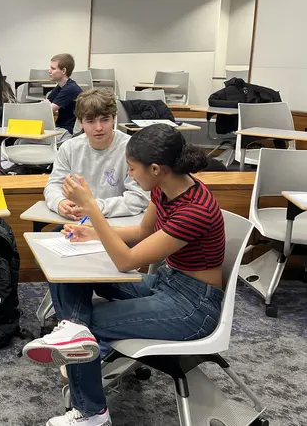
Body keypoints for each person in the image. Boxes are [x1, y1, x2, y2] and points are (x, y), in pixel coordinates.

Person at [23, 124, 225, 426]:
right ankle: (72, 332)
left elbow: (126, 260)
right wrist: (92, 233)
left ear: (156, 168)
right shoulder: (165, 187)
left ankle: (92, 412)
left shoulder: (194, 210)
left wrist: (91, 206)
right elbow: (142, 232)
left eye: (131, 169)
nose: (129, 175)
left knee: (87, 326)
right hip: (168, 284)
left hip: (194, 307)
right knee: (67, 275)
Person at [44, 88, 149, 221]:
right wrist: (59, 203)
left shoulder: (132, 148)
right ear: (80, 122)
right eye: (90, 121)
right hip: (78, 220)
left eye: (104, 120)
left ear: (114, 119)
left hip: (117, 222)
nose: (98, 127)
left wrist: (94, 207)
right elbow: (54, 185)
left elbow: (139, 197)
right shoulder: (69, 148)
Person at [45, 53, 83, 135]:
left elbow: (47, 110)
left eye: (53, 68)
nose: (49, 71)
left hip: (68, 132)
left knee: (21, 142)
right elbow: (45, 104)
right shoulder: (60, 86)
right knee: (21, 141)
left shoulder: (70, 88)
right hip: (59, 128)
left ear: (63, 71)